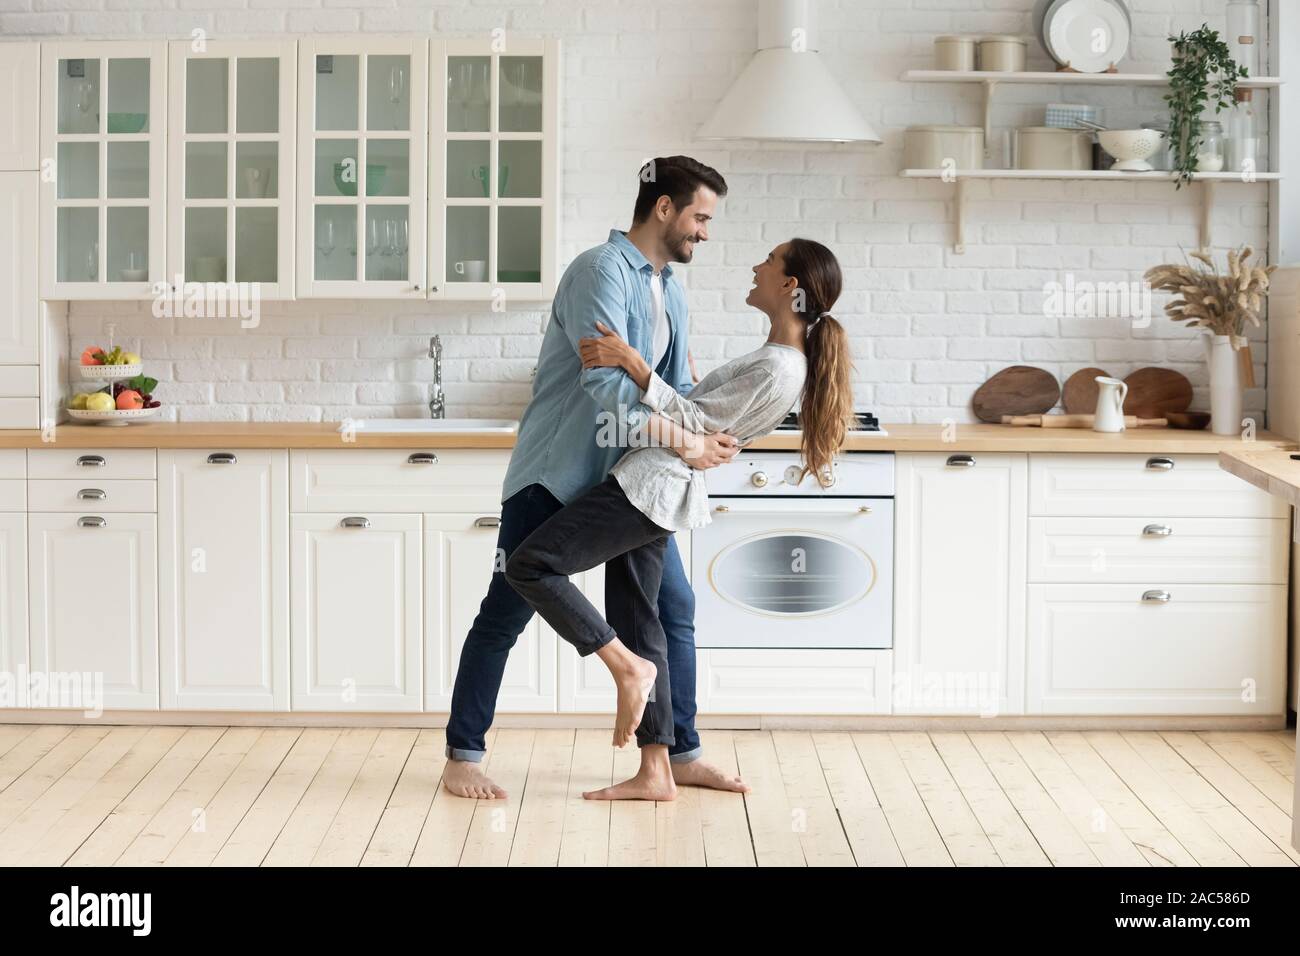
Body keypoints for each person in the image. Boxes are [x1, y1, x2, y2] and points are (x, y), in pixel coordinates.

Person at [442, 156, 749, 800]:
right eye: (700, 216)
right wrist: (687, 440)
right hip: (554, 476)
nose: (705, 232)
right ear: (663, 208)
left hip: (627, 483)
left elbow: (678, 389)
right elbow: (608, 393)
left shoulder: (670, 287)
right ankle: (463, 755)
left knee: (674, 608)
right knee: (505, 610)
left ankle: (679, 754)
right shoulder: (599, 272)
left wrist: (700, 433)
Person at [504, 238, 854, 801]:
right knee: (645, 617)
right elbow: (700, 419)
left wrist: (636, 365)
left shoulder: (779, 365)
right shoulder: (778, 359)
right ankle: (657, 768)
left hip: (647, 486)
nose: (756, 264)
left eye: (769, 260)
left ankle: (623, 668)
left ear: (791, 287)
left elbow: (691, 421)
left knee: (531, 566)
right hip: (657, 485)